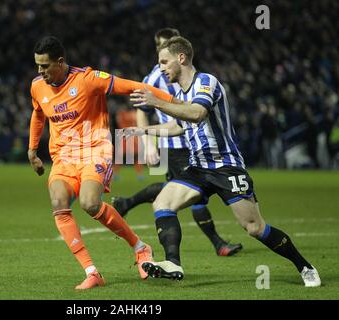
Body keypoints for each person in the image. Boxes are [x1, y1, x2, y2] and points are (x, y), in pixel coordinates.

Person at [124, 36, 321, 287]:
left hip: (226, 167)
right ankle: (173, 262)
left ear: (181, 58)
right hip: (198, 168)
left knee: (254, 227)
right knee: (163, 203)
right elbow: (179, 125)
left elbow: (197, 114)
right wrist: (145, 131)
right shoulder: (183, 94)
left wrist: (156, 102)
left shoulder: (206, 82)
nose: (161, 68)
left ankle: (304, 266)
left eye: (164, 62)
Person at [27, 36, 176, 290]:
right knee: (58, 202)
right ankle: (92, 272)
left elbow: (133, 86)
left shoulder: (88, 80)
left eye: (45, 66)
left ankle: (140, 248)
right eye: (37, 66)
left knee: (89, 203)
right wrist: (32, 150)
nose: (40, 72)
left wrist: (176, 103)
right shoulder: (37, 86)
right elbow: (38, 113)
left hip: (95, 150)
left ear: (60, 62)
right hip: (64, 156)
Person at [113, 28, 242, 257]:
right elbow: (142, 110)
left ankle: (127, 203)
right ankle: (217, 244)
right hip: (173, 144)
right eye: (163, 46)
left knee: (179, 189)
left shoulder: (193, 77)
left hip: (193, 140)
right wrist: (148, 143)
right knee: (194, 191)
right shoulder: (153, 78)